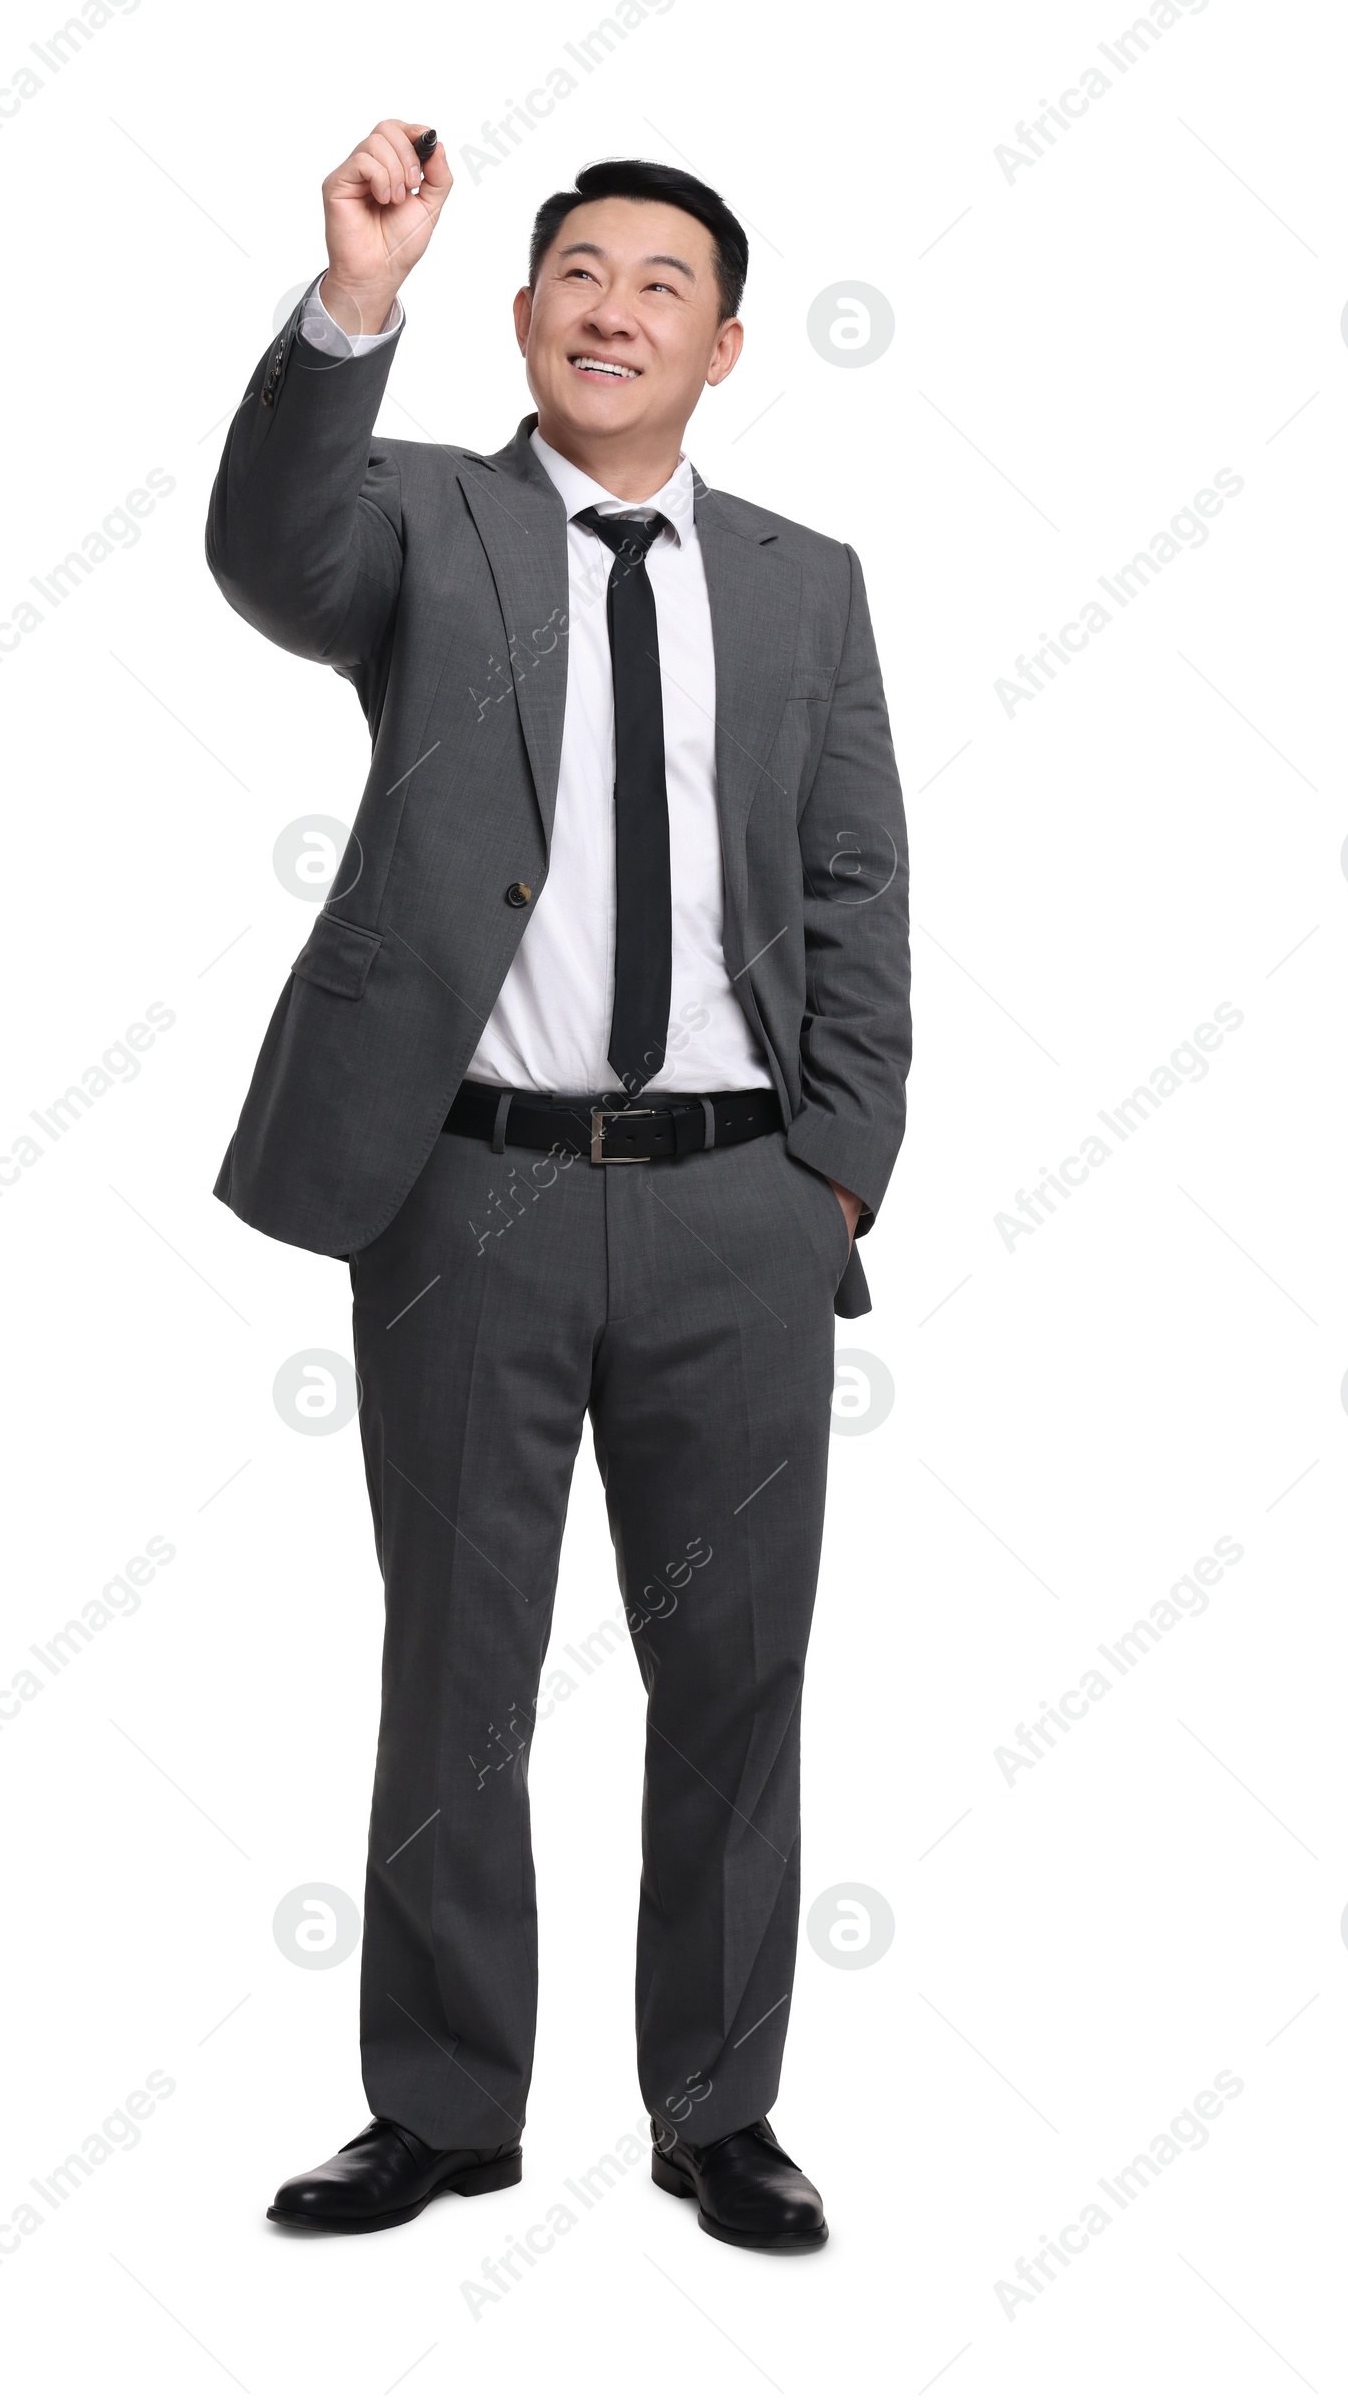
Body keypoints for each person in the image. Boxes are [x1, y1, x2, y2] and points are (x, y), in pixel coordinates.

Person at [206, 120, 911, 2251]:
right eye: (575, 274)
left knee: (734, 1676)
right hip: (467, 1198)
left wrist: (835, 1175)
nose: (613, 307)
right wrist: (349, 303)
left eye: (658, 284)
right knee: (459, 1668)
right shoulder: (421, 520)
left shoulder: (803, 581)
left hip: (733, 1209)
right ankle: (437, 2107)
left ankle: (715, 2113)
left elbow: (854, 881)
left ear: (720, 344)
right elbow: (265, 550)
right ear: (520, 320)